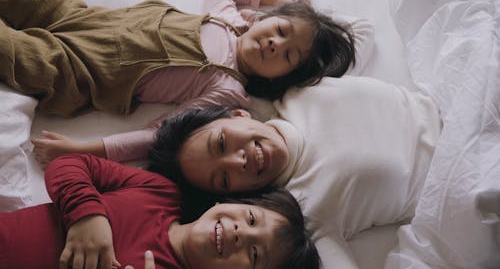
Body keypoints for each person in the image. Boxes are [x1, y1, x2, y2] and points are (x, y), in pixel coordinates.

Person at [2, 0, 372, 165]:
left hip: (82, 70)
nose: (275, 43)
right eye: (281, 29)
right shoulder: (228, 18)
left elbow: (159, 133)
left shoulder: (227, 90)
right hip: (84, 17)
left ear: (280, 79)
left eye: (288, 55)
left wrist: (87, 149)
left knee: (15, 54)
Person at [145, 75, 443, 268]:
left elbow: (352, 34)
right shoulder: (303, 210)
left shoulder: (297, 87)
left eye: (222, 143)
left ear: (237, 114)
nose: (238, 161)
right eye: (224, 179)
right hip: (455, 171)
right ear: (233, 197)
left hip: (449, 98)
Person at [0, 153, 320, 269]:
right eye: (251, 219)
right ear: (225, 202)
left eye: (254, 255)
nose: (241, 233)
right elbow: (70, 164)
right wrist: (86, 215)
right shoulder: (159, 192)